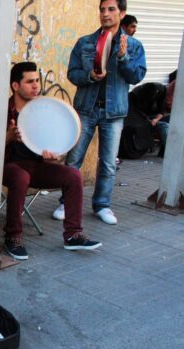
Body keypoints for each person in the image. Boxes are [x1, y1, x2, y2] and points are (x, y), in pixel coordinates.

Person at [57, 0, 146, 225]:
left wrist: (123, 58)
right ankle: (66, 203)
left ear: (122, 13)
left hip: (113, 112)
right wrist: (89, 76)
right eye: (102, 10)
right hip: (86, 109)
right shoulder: (85, 43)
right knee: (74, 159)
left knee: (107, 163)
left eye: (111, 9)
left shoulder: (133, 45)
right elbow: (72, 74)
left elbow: (136, 77)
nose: (105, 14)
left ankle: (102, 205)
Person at [3, 62, 101, 260]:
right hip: (7, 167)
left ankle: (73, 235)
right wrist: (9, 137)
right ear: (15, 86)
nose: (36, 86)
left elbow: (54, 144)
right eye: (30, 82)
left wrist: (55, 157)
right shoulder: (4, 110)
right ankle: (12, 238)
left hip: (37, 167)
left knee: (73, 175)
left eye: (37, 80)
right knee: (20, 177)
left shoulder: (43, 109)